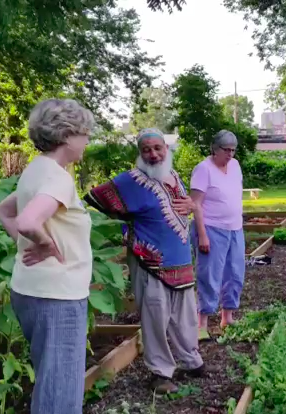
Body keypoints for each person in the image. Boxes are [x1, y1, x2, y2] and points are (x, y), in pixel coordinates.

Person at [0, 98, 95, 414]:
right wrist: (45, 244)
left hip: (31, 291)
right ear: (67, 136)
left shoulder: (36, 170)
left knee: (50, 382)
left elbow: (4, 212)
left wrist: (30, 243)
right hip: (58, 298)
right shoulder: (57, 178)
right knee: (60, 394)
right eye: (85, 134)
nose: (87, 141)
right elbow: (25, 220)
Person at [84, 128, 204, 394]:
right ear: (140, 153)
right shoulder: (132, 180)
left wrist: (190, 206)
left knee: (184, 316)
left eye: (157, 148)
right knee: (155, 318)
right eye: (146, 150)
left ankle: (191, 360)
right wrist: (130, 225)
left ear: (166, 148)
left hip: (181, 260)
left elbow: (179, 208)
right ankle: (160, 373)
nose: (153, 154)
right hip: (151, 262)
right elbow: (97, 198)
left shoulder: (171, 174)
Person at [190, 130, 245, 338]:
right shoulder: (203, 169)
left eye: (233, 150)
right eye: (226, 150)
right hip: (211, 229)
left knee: (235, 273)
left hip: (235, 228)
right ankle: (202, 325)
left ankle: (227, 318)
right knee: (209, 276)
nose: (230, 154)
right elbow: (195, 204)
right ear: (215, 149)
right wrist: (202, 235)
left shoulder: (235, 166)